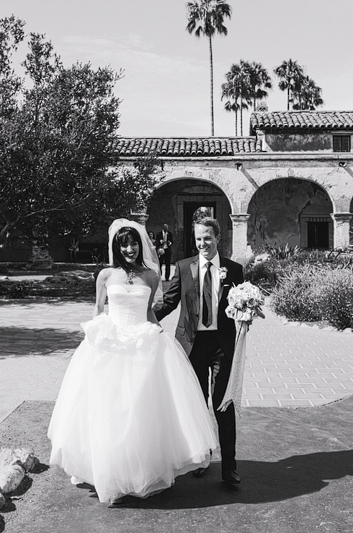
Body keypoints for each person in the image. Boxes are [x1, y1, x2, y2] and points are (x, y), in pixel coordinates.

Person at [47, 219, 218, 505]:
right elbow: (98, 308)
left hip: (142, 343)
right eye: (124, 244)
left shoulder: (151, 276)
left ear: (141, 245)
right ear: (116, 246)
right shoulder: (105, 275)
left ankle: (144, 470)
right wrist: (94, 334)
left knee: (141, 408)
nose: (129, 248)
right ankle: (109, 470)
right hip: (111, 344)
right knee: (109, 408)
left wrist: (160, 335)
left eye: (134, 243)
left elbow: (150, 311)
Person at [155, 215, 245, 485]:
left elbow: (240, 303)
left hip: (221, 345)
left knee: (222, 406)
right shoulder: (183, 267)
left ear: (218, 238)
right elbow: (169, 302)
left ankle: (229, 468)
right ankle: (203, 458)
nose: (203, 243)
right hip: (190, 346)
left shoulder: (234, 269)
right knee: (195, 404)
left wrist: (248, 313)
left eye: (207, 237)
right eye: (198, 239)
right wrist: (141, 318)